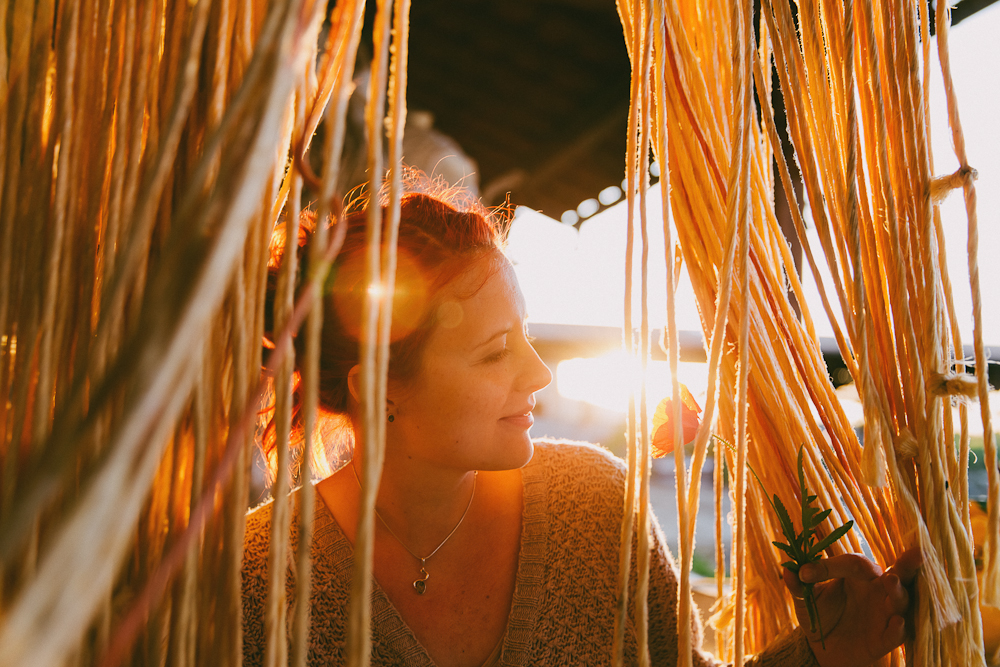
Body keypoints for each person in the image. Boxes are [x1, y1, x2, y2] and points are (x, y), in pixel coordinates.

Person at [241, 179, 921, 667]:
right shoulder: (258, 579)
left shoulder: (593, 505)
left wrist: (830, 652)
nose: (539, 373)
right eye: (494, 351)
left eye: (527, 336)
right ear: (383, 389)